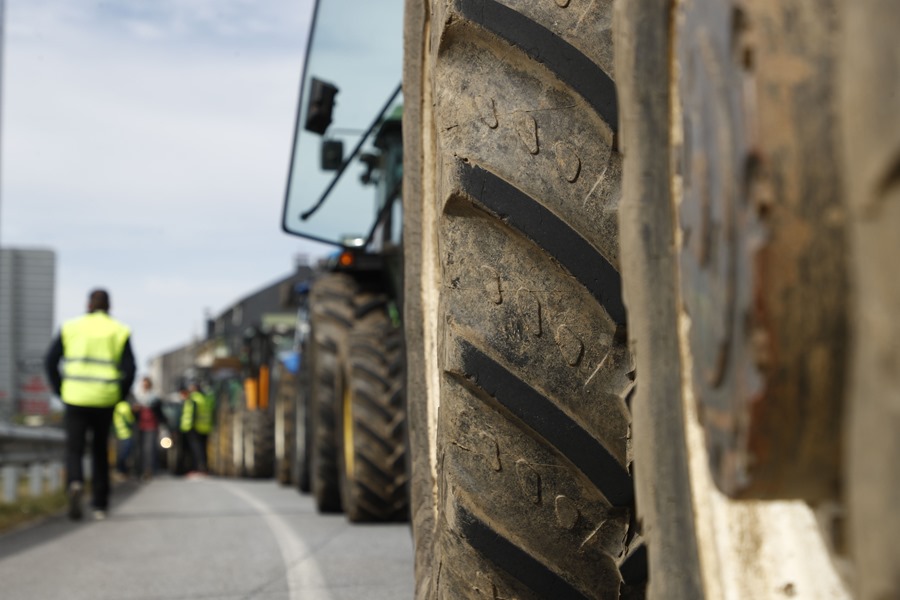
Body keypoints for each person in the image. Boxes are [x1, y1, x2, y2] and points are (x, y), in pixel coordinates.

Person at [44, 289, 136, 521]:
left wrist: (60, 389)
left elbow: (50, 361)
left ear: (88, 304)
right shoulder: (118, 330)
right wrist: (119, 394)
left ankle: (75, 483)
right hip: (105, 398)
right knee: (99, 450)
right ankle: (99, 504)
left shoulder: (71, 327)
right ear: (109, 306)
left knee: (74, 448)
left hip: (75, 396)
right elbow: (130, 369)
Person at [133, 376, 168, 480]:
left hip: (151, 426)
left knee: (149, 449)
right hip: (140, 426)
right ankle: (139, 470)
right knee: (139, 450)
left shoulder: (155, 398)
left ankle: (149, 470)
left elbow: (160, 413)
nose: (145, 385)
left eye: (146, 384)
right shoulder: (137, 397)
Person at [180, 381, 213, 475]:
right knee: (203, 449)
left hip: (193, 427)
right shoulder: (204, 398)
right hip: (204, 427)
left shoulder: (193, 397)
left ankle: (198, 468)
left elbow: (192, 413)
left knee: (195, 450)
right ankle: (203, 468)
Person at [112, 398, 137, 481]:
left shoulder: (116, 406)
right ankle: (122, 471)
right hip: (125, 433)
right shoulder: (125, 406)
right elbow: (130, 420)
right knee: (125, 454)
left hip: (118, 433)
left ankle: (122, 472)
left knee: (121, 454)